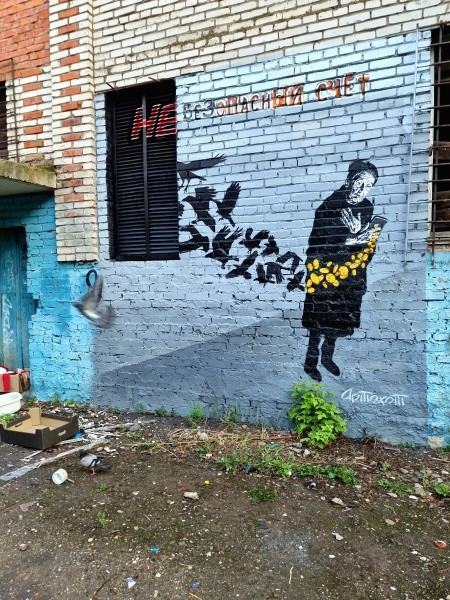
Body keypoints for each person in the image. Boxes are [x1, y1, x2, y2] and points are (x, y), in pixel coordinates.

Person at [302, 159, 386, 382]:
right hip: (324, 273)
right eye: (359, 182)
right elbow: (318, 246)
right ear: (349, 180)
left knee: (337, 319)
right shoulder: (328, 208)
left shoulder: (366, 207)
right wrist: (351, 238)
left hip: (350, 274)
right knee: (319, 320)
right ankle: (310, 362)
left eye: (369, 186)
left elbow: (366, 245)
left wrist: (363, 238)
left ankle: (327, 357)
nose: (362, 190)